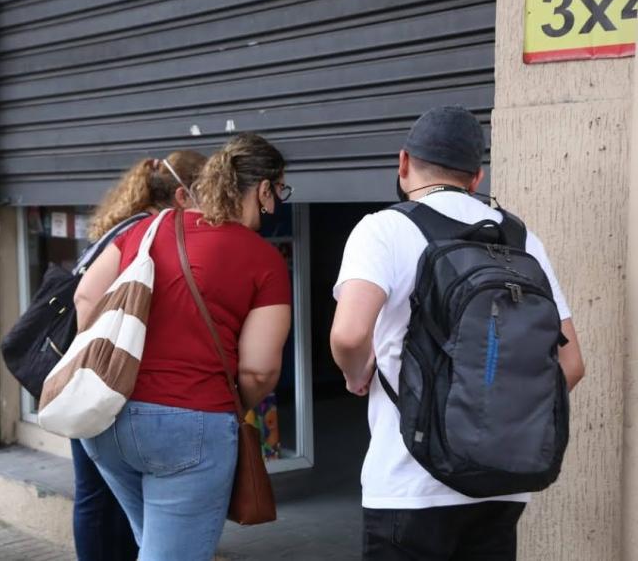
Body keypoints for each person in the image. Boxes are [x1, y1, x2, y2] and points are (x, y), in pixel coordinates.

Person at [330, 106, 585, 560]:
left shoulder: (384, 229)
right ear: (476, 177)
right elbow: (571, 364)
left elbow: (350, 336)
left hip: (408, 485)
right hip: (500, 485)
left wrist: (355, 375)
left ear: (403, 162)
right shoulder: (520, 238)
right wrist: (495, 413)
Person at [76, 133, 292, 561]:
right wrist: (230, 406)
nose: (277, 201)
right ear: (264, 190)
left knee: (154, 546)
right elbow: (258, 372)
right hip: (191, 427)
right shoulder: (263, 259)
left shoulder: (145, 229)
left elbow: (85, 297)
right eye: (279, 191)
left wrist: (111, 369)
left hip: (106, 420)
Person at [72, 150, 207, 561]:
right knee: (97, 496)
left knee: (97, 494)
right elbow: (86, 300)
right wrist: (112, 362)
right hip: (102, 378)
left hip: (91, 378)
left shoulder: (129, 224)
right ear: (184, 195)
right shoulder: (146, 231)